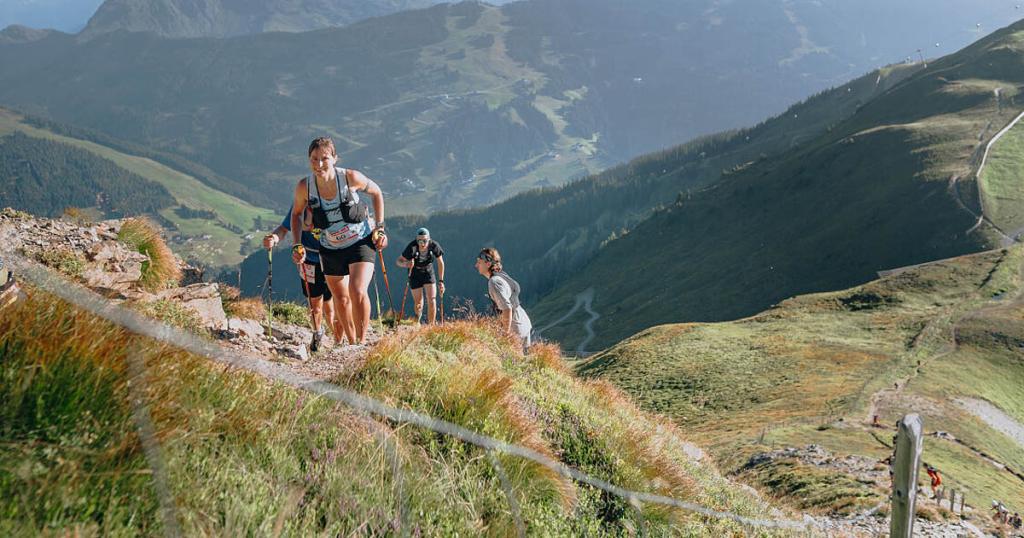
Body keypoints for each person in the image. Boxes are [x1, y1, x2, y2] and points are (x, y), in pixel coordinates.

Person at [291, 137, 387, 346]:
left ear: (335, 158)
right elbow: (296, 214)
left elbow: (376, 193)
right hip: (330, 248)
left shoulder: (350, 177)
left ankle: (361, 343)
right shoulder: (304, 187)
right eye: (314, 159)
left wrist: (380, 229)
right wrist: (297, 245)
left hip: (360, 241)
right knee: (341, 300)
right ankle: (352, 344)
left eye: (324, 159)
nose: (319, 165)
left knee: (357, 290)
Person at [263, 205, 337, 352]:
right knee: (315, 306)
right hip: (308, 260)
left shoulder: (334, 202)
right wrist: (273, 238)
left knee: (329, 305)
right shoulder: (301, 204)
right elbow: (283, 229)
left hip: (332, 260)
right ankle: (317, 333)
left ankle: (337, 337)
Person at [475, 247, 531, 352]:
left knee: (512, 363)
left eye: (479, 262)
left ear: (488, 264)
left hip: (515, 328)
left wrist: (505, 335)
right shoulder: (502, 275)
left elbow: (507, 309)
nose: (476, 265)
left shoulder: (494, 282)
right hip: (523, 321)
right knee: (522, 364)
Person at [396, 228, 445, 324]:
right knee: (418, 303)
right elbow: (398, 261)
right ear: (416, 239)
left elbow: (440, 262)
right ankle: (418, 321)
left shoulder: (433, 245)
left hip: (428, 272)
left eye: (425, 240)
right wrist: (406, 264)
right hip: (414, 273)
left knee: (432, 300)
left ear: (429, 239)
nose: (422, 243)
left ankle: (431, 325)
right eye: (419, 240)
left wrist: (441, 281)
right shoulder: (412, 247)